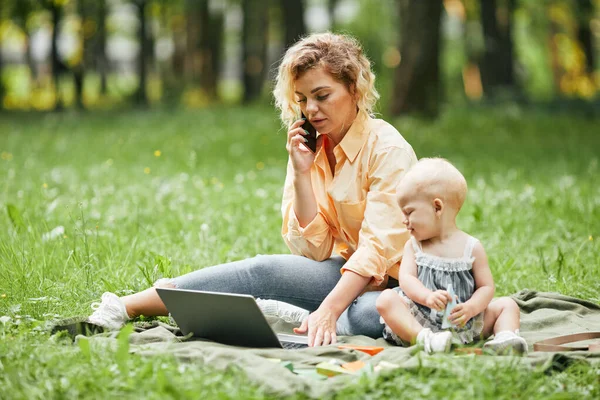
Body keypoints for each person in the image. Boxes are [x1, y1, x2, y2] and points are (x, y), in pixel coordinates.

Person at [87, 32, 418, 347]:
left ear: (354, 90)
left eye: (322, 96)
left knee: (364, 315)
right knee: (264, 269)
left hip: (405, 285)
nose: (311, 110)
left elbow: (376, 250)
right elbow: (313, 252)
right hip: (350, 278)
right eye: (302, 99)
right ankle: (124, 307)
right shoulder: (310, 147)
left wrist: (329, 309)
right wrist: (302, 174)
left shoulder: (387, 150)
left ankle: (317, 315)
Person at [375, 158, 528, 354]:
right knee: (386, 300)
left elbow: (486, 287)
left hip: (465, 323)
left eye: (409, 212)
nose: (404, 221)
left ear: (437, 207)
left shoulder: (471, 248)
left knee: (508, 305)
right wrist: (427, 297)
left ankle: (506, 338)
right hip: (422, 318)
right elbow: (406, 279)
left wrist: (471, 308)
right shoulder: (414, 247)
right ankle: (425, 339)